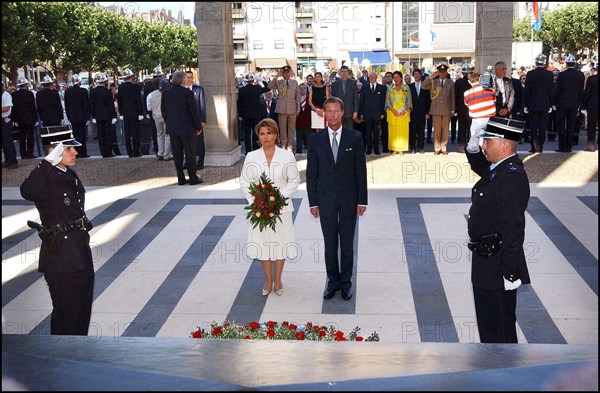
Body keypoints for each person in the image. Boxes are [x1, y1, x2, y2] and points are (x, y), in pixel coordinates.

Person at [20, 128, 95, 335]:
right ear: (55, 151)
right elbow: (27, 191)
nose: (75, 153)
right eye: (69, 148)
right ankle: (63, 357)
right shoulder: (45, 177)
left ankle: (78, 352)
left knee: (82, 311)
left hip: (79, 251)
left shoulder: (68, 173)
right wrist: (46, 162)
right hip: (60, 256)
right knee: (66, 315)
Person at [465, 117, 531, 343]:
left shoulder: (511, 176)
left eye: (488, 141)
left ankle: (505, 373)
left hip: (497, 266)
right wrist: (473, 144)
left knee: (500, 330)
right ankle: (492, 369)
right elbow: (480, 166)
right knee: (488, 325)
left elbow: (514, 230)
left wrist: (509, 273)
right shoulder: (501, 168)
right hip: (486, 262)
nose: (484, 146)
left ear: (504, 145)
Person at [306, 96, 368, 301]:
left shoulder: (355, 137)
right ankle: (332, 281)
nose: (332, 114)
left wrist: (362, 200)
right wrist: (313, 202)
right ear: (324, 113)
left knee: (347, 244)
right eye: (329, 111)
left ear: (343, 113)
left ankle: (346, 283)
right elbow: (311, 173)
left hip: (350, 200)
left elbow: (360, 170)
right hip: (325, 200)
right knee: (330, 243)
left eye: (336, 111)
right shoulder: (315, 139)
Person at [240, 118, 300, 296]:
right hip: (260, 209)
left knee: (280, 244)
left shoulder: (287, 156)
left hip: (282, 208)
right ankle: (268, 280)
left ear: (275, 135)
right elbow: (245, 182)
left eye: (269, 133)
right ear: (258, 137)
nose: (266, 137)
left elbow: (294, 180)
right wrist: (257, 202)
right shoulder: (251, 156)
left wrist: (278, 199)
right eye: (262, 133)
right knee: (263, 245)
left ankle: (278, 279)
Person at [161, 70, 203, 186]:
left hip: (173, 128)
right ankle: (193, 177)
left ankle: (181, 178)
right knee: (190, 154)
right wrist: (198, 126)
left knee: (177, 155)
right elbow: (193, 111)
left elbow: (163, 111)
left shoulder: (166, 93)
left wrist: (169, 123)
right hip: (187, 129)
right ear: (182, 80)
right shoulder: (187, 93)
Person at [523, 53, 554, 153]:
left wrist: (526, 104)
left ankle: (534, 146)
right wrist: (550, 104)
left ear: (536, 62)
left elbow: (527, 91)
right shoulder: (549, 74)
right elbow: (551, 91)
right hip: (545, 103)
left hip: (533, 103)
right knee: (542, 127)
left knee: (533, 127)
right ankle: (540, 146)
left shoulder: (530, 74)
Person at [422, 63, 455, 155]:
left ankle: (444, 147)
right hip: (436, 109)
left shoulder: (451, 82)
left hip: (446, 109)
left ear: (446, 72)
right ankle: (437, 148)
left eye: (444, 72)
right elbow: (423, 86)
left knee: (445, 129)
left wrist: (453, 109)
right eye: (440, 72)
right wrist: (431, 77)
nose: (442, 74)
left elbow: (453, 96)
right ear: (438, 72)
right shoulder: (433, 82)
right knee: (436, 129)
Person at [554, 55, 585, 153]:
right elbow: (581, 91)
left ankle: (562, 146)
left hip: (562, 103)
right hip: (574, 103)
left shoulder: (562, 75)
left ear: (566, 64)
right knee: (571, 125)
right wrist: (579, 104)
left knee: (561, 125)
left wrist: (555, 102)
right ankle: (569, 146)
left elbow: (557, 90)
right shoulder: (580, 75)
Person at [268, 65, 301, 152]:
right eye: (284, 73)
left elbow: (297, 96)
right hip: (282, 109)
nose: (286, 74)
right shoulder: (279, 82)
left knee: (291, 129)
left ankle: (290, 146)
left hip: (292, 109)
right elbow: (270, 86)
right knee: (282, 129)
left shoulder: (294, 82)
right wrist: (276, 76)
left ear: (290, 73)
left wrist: (298, 109)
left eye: (287, 72)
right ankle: (283, 145)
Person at [89, 73, 118, 158]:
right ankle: (108, 152)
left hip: (98, 115)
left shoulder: (93, 92)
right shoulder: (107, 91)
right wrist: (113, 115)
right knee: (108, 134)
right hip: (107, 115)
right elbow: (110, 105)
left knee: (100, 135)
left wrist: (93, 115)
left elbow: (92, 105)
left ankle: (103, 152)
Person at [117, 68, 144, 157]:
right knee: (135, 133)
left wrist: (121, 113)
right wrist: (140, 113)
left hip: (125, 112)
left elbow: (119, 101)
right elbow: (138, 101)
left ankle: (129, 152)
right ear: (131, 77)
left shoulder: (121, 87)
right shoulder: (135, 87)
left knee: (127, 133)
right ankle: (136, 151)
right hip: (135, 112)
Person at [358, 71, 386, 155]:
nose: (371, 78)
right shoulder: (364, 87)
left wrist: (383, 113)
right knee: (368, 132)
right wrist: (361, 113)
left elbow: (383, 101)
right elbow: (361, 101)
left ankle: (376, 149)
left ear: (376, 77)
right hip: (367, 114)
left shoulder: (382, 88)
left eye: (373, 77)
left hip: (377, 114)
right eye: (370, 77)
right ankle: (368, 149)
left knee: (376, 132)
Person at [64, 74, 91, 158]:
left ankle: (76, 152)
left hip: (72, 115)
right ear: (79, 82)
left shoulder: (68, 91)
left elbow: (67, 105)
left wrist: (68, 116)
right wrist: (88, 116)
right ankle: (83, 152)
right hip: (82, 116)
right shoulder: (83, 91)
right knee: (82, 135)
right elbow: (86, 105)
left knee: (75, 135)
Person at [185, 71, 208, 169]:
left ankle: (200, 162)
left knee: (200, 142)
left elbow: (202, 105)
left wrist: (203, 120)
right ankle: (188, 162)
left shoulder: (198, 90)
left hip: (197, 120)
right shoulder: (182, 90)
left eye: (190, 77)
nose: (189, 79)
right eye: (187, 77)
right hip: (186, 121)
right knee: (187, 142)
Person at [385, 71, 412, 155]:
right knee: (393, 131)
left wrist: (405, 109)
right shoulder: (390, 88)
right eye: (395, 77)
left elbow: (409, 100)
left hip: (403, 112)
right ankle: (394, 149)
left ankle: (401, 149)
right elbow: (387, 101)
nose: (396, 79)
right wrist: (393, 110)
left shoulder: (406, 87)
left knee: (402, 131)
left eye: (398, 77)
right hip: (393, 112)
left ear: (401, 78)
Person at [11, 76, 38, 159]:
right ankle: (30, 153)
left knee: (22, 137)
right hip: (29, 118)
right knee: (30, 136)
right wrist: (35, 118)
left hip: (19, 119)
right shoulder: (29, 94)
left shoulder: (14, 94)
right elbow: (32, 107)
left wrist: (14, 119)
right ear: (25, 85)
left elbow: (13, 108)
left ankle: (23, 153)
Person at [147, 78, 172, 160]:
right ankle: (166, 154)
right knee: (167, 135)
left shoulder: (150, 95)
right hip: (166, 116)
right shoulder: (166, 93)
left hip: (156, 116)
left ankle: (160, 152)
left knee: (159, 134)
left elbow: (149, 108)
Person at [408, 68, 431, 154]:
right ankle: (412, 147)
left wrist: (427, 112)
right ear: (413, 76)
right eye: (415, 74)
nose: (417, 75)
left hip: (422, 112)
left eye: (418, 74)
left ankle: (420, 147)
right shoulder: (410, 86)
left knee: (421, 130)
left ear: (421, 75)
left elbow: (428, 100)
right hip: (412, 112)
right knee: (412, 130)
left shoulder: (425, 86)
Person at [2, 81, 18, 169]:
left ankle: (13, 161)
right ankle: (7, 160)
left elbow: (6, 108)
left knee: (8, 142)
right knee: (3, 143)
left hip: (5, 120)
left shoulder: (6, 95)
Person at [581, 67, 597, 152]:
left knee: (591, 126)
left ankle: (591, 145)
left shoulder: (592, 79)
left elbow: (587, 92)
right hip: (593, 105)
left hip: (593, 105)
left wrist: (583, 104)